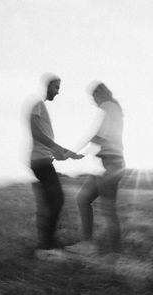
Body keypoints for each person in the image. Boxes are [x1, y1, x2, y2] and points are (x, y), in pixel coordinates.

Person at [28, 73, 82, 259]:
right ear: (48, 86)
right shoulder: (38, 104)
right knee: (56, 200)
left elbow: (49, 145)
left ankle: (48, 243)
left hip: (43, 160)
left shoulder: (42, 108)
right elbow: (35, 131)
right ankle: (45, 247)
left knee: (52, 202)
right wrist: (56, 147)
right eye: (56, 87)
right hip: (39, 162)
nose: (58, 92)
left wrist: (67, 154)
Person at [74, 82, 125, 254]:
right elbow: (101, 138)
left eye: (93, 97)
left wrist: (72, 152)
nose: (93, 101)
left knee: (108, 209)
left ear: (100, 94)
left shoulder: (108, 106)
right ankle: (88, 245)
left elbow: (98, 136)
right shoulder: (113, 108)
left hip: (112, 165)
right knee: (83, 199)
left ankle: (115, 253)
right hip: (109, 165)